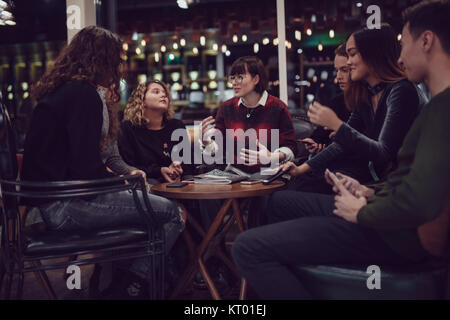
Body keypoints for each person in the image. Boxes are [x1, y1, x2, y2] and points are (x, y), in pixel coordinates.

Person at [231, 0, 450, 299]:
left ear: (427, 41)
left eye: (405, 44)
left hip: (394, 232)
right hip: (384, 211)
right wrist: (370, 192)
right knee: (278, 202)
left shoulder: (433, 105)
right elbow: (415, 182)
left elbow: (418, 199)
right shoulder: (429, 105)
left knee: (247, 246)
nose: (400, 57)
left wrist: (363, 212)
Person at [21, 26, 184, 299]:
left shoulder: (64, 91)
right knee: (172, 214)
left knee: (145, 205)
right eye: (117, 59)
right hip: (64, 206)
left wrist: (120, 179)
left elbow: (79, 161)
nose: (120, 67)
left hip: (47, 202)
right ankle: (131, 286)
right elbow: (86, 168)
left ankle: (119, 281)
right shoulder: (84, 95)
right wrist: (122, 181)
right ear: (102, 59)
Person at [285, 24, 427, 194]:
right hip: (377, 185)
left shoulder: (401, 91)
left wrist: (337, 125)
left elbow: (383, 154)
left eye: (352, 54)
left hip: (397, 192)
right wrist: (301, 169)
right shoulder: (367, 95)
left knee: (286, 199)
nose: (349, 61)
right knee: (298, 184)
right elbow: (340, 144)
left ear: (373, 55)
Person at [200, 56, 297, 173]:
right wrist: (207, 143)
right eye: (232, 78)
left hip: (269, 175)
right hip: (235, 175)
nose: (234, 82)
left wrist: (272, 156)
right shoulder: (226, 108)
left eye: (240, 77)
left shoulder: (278, 107)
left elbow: (291, 148)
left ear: (256, 79)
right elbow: (219, 148)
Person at [118, 80, 193, 185]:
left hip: (178, 182)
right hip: (147, 183)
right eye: (156, 92)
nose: (163, 95)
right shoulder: (128, 128)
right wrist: (160, 171)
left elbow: (187, 163)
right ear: (142, 100)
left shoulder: (177, 126)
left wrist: (178, 169)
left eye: (165, 94)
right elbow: (129, 166)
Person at [301, 44, 351, 154]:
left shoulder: (369, 103)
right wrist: (313, 142)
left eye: (344, 70)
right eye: (337, 70)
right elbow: (320, 134)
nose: (338, 76)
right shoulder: (336, 102)